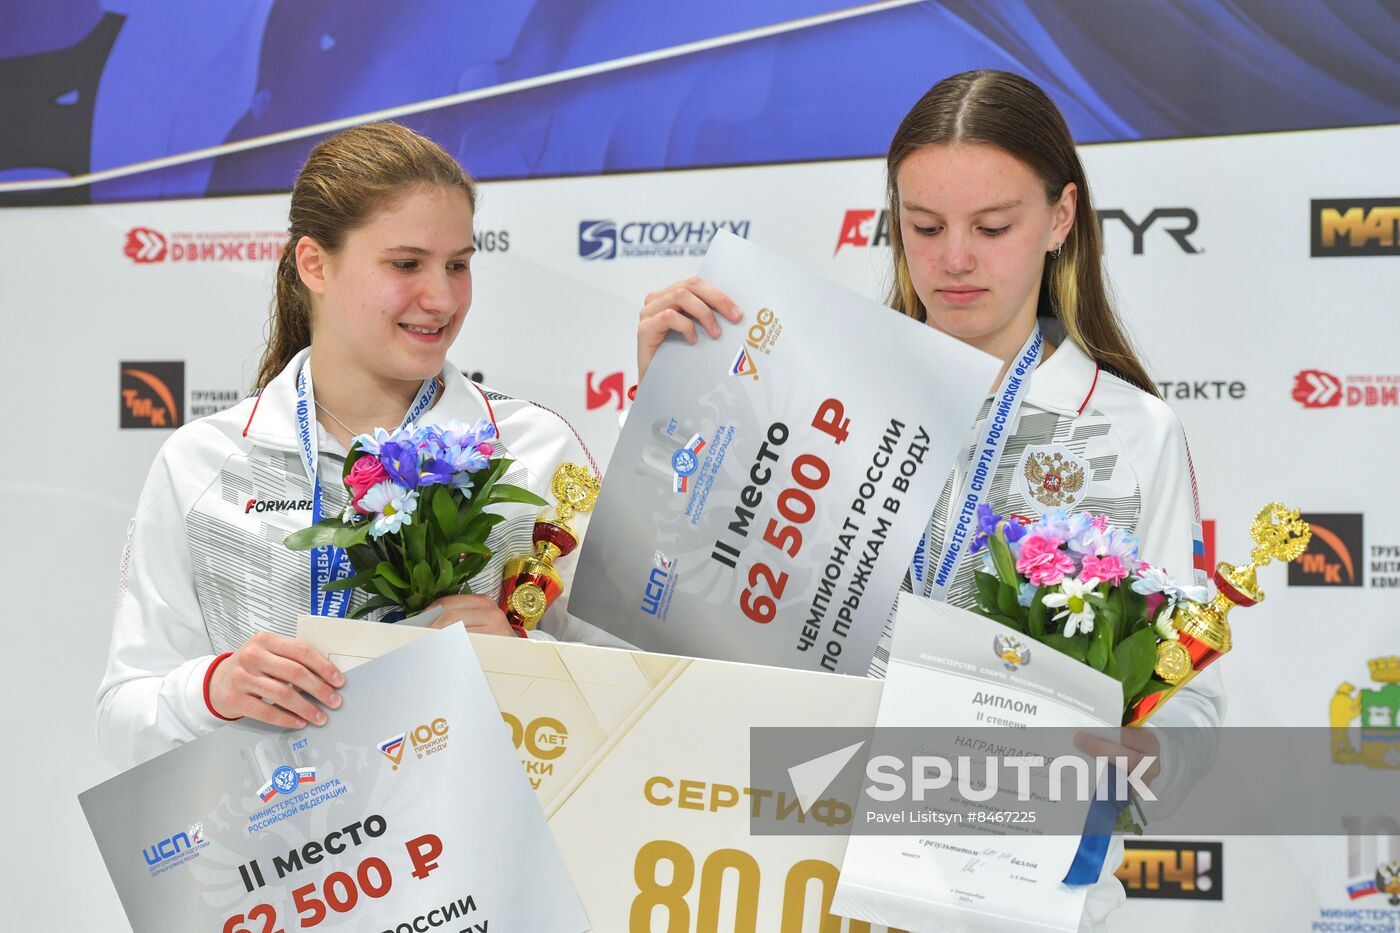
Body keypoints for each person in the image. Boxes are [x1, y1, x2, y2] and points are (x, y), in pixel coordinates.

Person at [634, 70, 1223, 929]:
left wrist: (1146, 754)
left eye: (992, 227)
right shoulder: (817, 393)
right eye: (923, 226)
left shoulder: (1135, 431)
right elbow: (668, 606)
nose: (953, 259)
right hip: (805, 865)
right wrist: (668, 409)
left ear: (1061, 218)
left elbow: (1191, 694)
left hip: (1023, 891)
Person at [97, 122, 616, 772]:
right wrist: (216, 689)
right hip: (289, 861)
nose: (443, 297)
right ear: (314, 263)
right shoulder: (204, 462)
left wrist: (527, 662)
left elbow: (646, 689)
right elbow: (123, 722)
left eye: (457, 263)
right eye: (406, 264)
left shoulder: (534, 451)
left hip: (496, 856)